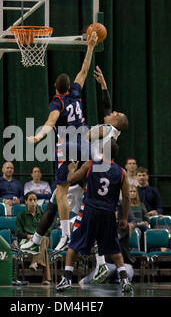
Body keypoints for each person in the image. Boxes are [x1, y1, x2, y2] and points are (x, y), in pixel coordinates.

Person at [21, 65, 129, 257]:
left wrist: (76, 126)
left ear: (117, 123)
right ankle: (38, 240)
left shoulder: (110, 130)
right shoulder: (109, 125)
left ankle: (82, 248)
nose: (114, 112)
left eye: (117, 115)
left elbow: (86, 136)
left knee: (80, 211)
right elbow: (107, 107)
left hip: (89, 172)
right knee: (56, 199)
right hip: (84, 167)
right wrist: (103, 85)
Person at [26, 32, 98, 252]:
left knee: (61, 191)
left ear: (56, 89)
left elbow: (52, 120)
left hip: (67, 144)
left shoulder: (57, 101)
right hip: (84, 143)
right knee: (89, 189)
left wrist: (38, 136)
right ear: (69, 87)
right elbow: (84, 70)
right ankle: (91, 234)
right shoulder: (76, 93)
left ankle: (67, 234)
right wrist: (91, 47)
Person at [55, 138, 133, 293]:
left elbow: (70, 180)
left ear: (103, 151)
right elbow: (126, 197)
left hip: (90, 209)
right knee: (113, 247)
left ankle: (67, 278)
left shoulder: (90, 164)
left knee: (74, 244)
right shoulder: (121, 172)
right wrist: (123, 218)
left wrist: (71, 169)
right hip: (109, 212)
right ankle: (124, 279)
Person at [15, 192, 51, 285]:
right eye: (30, 200)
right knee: (43, 244)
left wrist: (38, 236)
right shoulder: (21, 215)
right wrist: (29, 236)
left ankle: (34, 262)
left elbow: (48, 230)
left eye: (35, 200)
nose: (33, 202)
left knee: (42, 238)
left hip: (40, 239)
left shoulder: (42, 214)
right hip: (26, 240)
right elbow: (18, 233)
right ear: (26, 201)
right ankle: (46, 278)